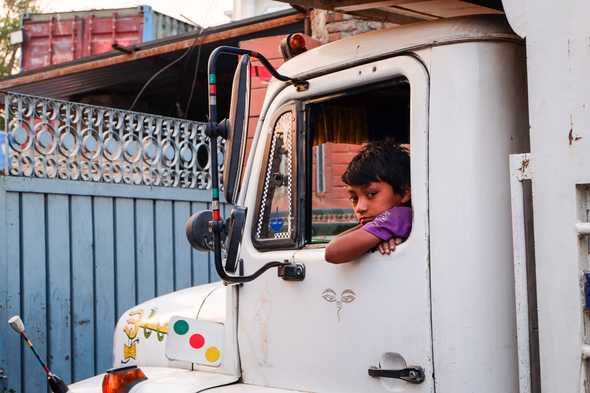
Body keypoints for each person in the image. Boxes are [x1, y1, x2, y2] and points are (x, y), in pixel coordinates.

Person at [324, 139, 411, 264]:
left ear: (404, 193)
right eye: (354, 198)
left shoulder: (400, 215)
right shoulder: (393, 221)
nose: (359, 207)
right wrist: (377, 237)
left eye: (371, 194)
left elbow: (332, 252)